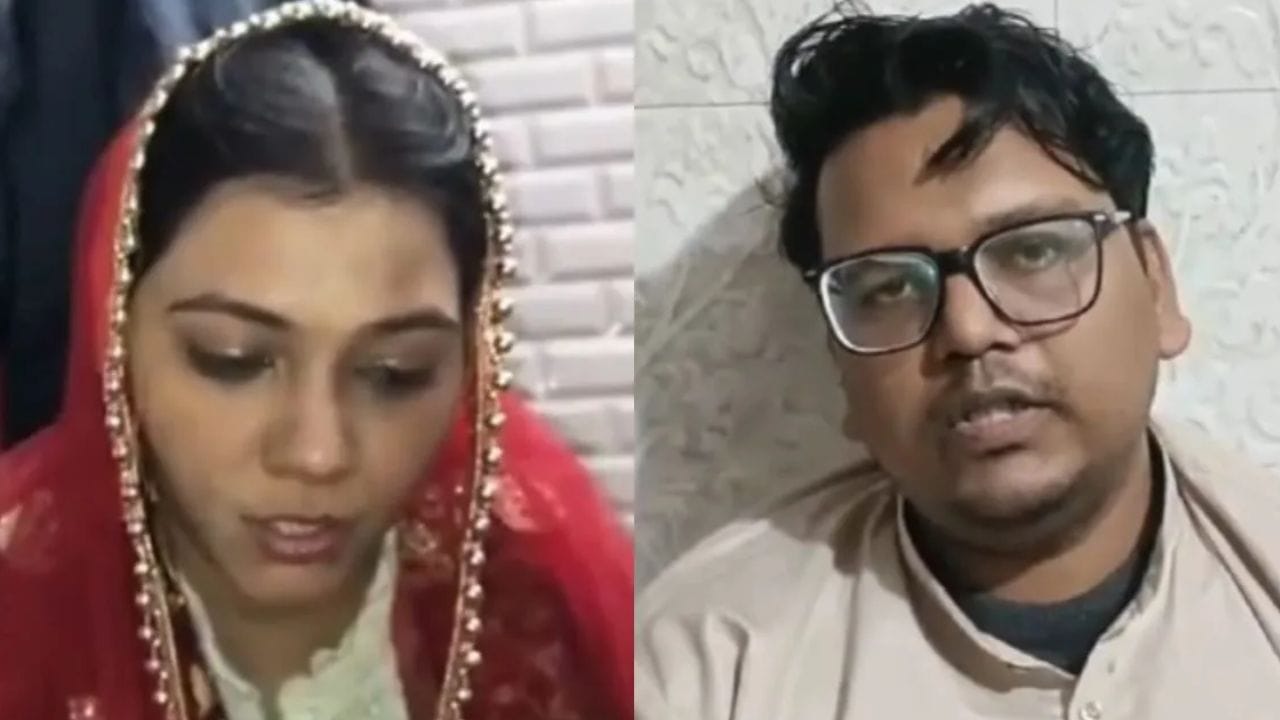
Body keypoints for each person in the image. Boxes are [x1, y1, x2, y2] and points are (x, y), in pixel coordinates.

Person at [636, 4, 1280, 719]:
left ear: (1155, 286)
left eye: (1033, 250)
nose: (968, 331)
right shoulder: (699, 669)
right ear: (840, 361)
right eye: (887, 287)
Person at [0, 3, 632, 719]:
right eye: (232, 360)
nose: (318, 454)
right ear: (114, 327)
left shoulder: (535, 605)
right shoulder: (20, 619)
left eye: (396, 373)